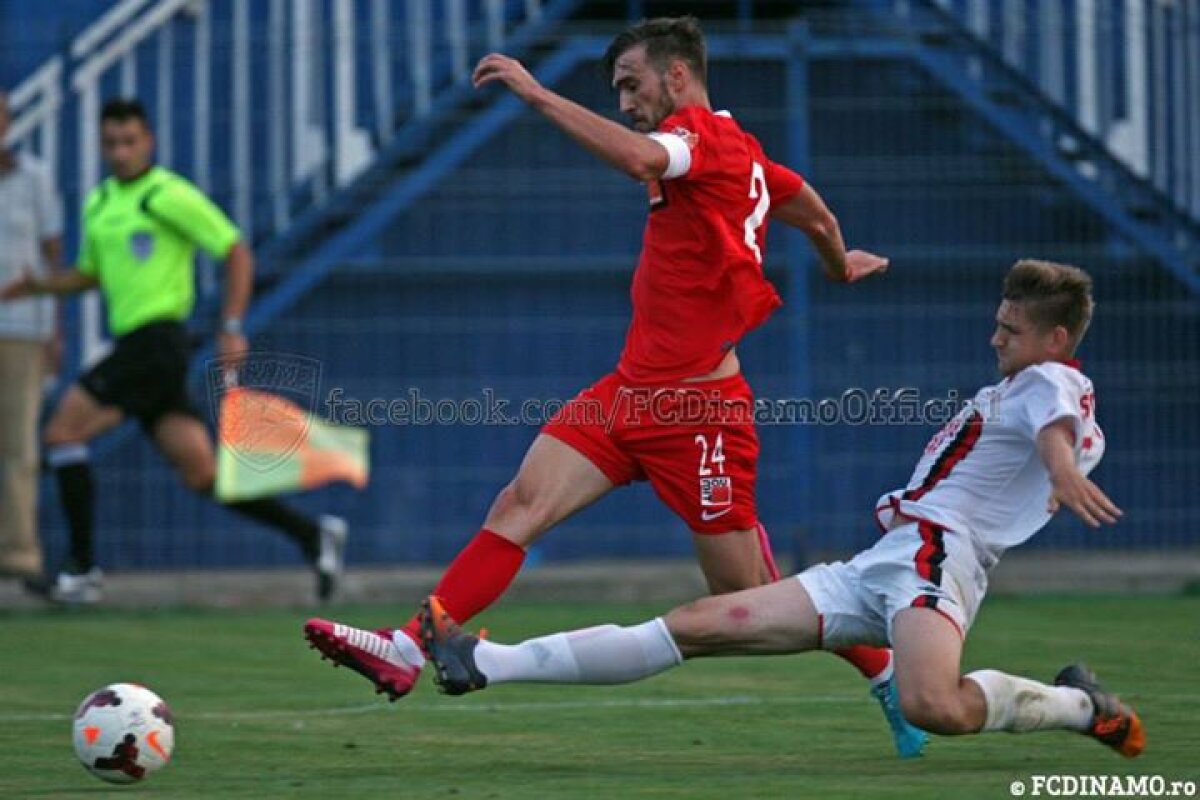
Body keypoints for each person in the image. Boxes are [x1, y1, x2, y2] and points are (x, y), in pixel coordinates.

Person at [304, 16, 924, 757]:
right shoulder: (741, 156)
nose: (626, 101)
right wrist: (834, 261)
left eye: (632, 84)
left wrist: (535, 94)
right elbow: (810, 206)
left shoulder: (701, 142)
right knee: (520, 504)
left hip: (700, 414)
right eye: (617, 90)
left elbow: (640, 159)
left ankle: (886, 664)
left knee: (749, 595)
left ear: (678, 76)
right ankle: (408, 650)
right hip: (629, 394)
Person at [419, 259, 1144, 760]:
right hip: (884, 564)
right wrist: (1054, 470)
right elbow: (1050, 437)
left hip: (936, 557)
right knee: (698, 624)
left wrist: (1059, 468)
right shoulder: (1032, 385)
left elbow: (1057, 427)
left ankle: (1080, 706)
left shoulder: (1050, 378)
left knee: (936, 705)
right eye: (997, 324)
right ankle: (486, 661)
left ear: (1054, 340)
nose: (995, 338)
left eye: (1010, 331)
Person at [0, 98, 347, 604]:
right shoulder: (100, 203)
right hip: (138, 349)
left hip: (157, 341)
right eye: (110, 144)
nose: (120, 153)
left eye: (129, 142)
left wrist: (232, 324)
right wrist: (37, 287)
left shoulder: (166, 194)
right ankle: (313, 536)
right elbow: (91, 275)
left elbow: (234, 248)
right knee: (202, 473)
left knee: (60, 434)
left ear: (149, 142)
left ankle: (82, 570)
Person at [0, 89, 64, 584]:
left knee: (20, 446)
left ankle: (20, 556)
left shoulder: (35, 179)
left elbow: (53, 257)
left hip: (21, 330)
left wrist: (54, 329)